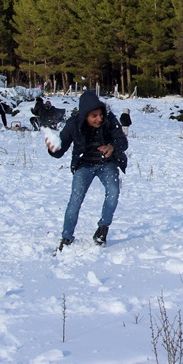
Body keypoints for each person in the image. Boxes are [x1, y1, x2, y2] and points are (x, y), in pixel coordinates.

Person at [47, 90, 128, 250]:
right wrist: (53, 148)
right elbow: (60, 150)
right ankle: (66, 237)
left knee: (113, 193)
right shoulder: (73, 125)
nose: (99, 119)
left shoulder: (109, 120)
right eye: (94, 116)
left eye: (100, 114)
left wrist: (112, 147)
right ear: (85, 116)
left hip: (107, 164)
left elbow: (122, 142)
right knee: (75, 200)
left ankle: (102, 230)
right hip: (84, 165)